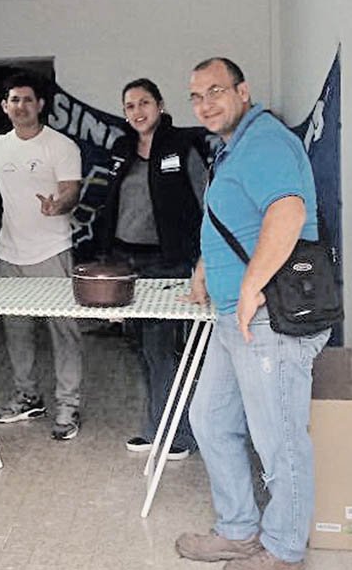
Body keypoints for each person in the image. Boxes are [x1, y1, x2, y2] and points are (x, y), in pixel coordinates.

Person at [175, 58, 330, 569]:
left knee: (279, 438)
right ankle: (239, 529)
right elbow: (239, 220)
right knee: (210, 419)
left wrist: (248, 287)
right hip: (235, 318)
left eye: (216, 91)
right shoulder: (233, 148)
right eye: (196, 97)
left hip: (267, 317)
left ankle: (283, 550)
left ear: (243, 91)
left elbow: (288, 212)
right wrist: (205, 268)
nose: (205, 104)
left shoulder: (264, 141)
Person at [97, 78, 209, 460]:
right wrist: (105, 257)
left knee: (162, 349)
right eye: (130, 106)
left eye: (144, 103)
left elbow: (206, 201)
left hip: (167, 263)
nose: (137, 111)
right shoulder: (121, 148)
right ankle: (156, 425)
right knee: (142, 350)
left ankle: (179, 433)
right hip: (126, 264)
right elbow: (111, 204)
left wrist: (201, 260)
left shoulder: (182, 145)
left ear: (160, 105)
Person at [0, 72, 84, 441]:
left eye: (27, 100)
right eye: (14, 100)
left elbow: (70, 190)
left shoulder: (61, 146)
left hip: (52, 252)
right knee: (16, 331)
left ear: (40, 105)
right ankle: (27, 396)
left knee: (64, 332)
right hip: (9, 255)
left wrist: (58, 205)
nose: (21, 106)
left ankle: (68, 405)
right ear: (5, 106)